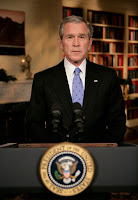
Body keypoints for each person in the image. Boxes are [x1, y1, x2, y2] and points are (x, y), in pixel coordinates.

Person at [26, 15, 126, 144]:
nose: (76, 43)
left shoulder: (108, 76)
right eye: (70, 37)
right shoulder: (43, 79)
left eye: (81, 37)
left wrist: (102, 150)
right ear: (61, 43)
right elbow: (33, 125)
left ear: (89, 43)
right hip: (57, 158)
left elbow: (117, 123)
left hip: (99, 157)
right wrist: (56, 151)